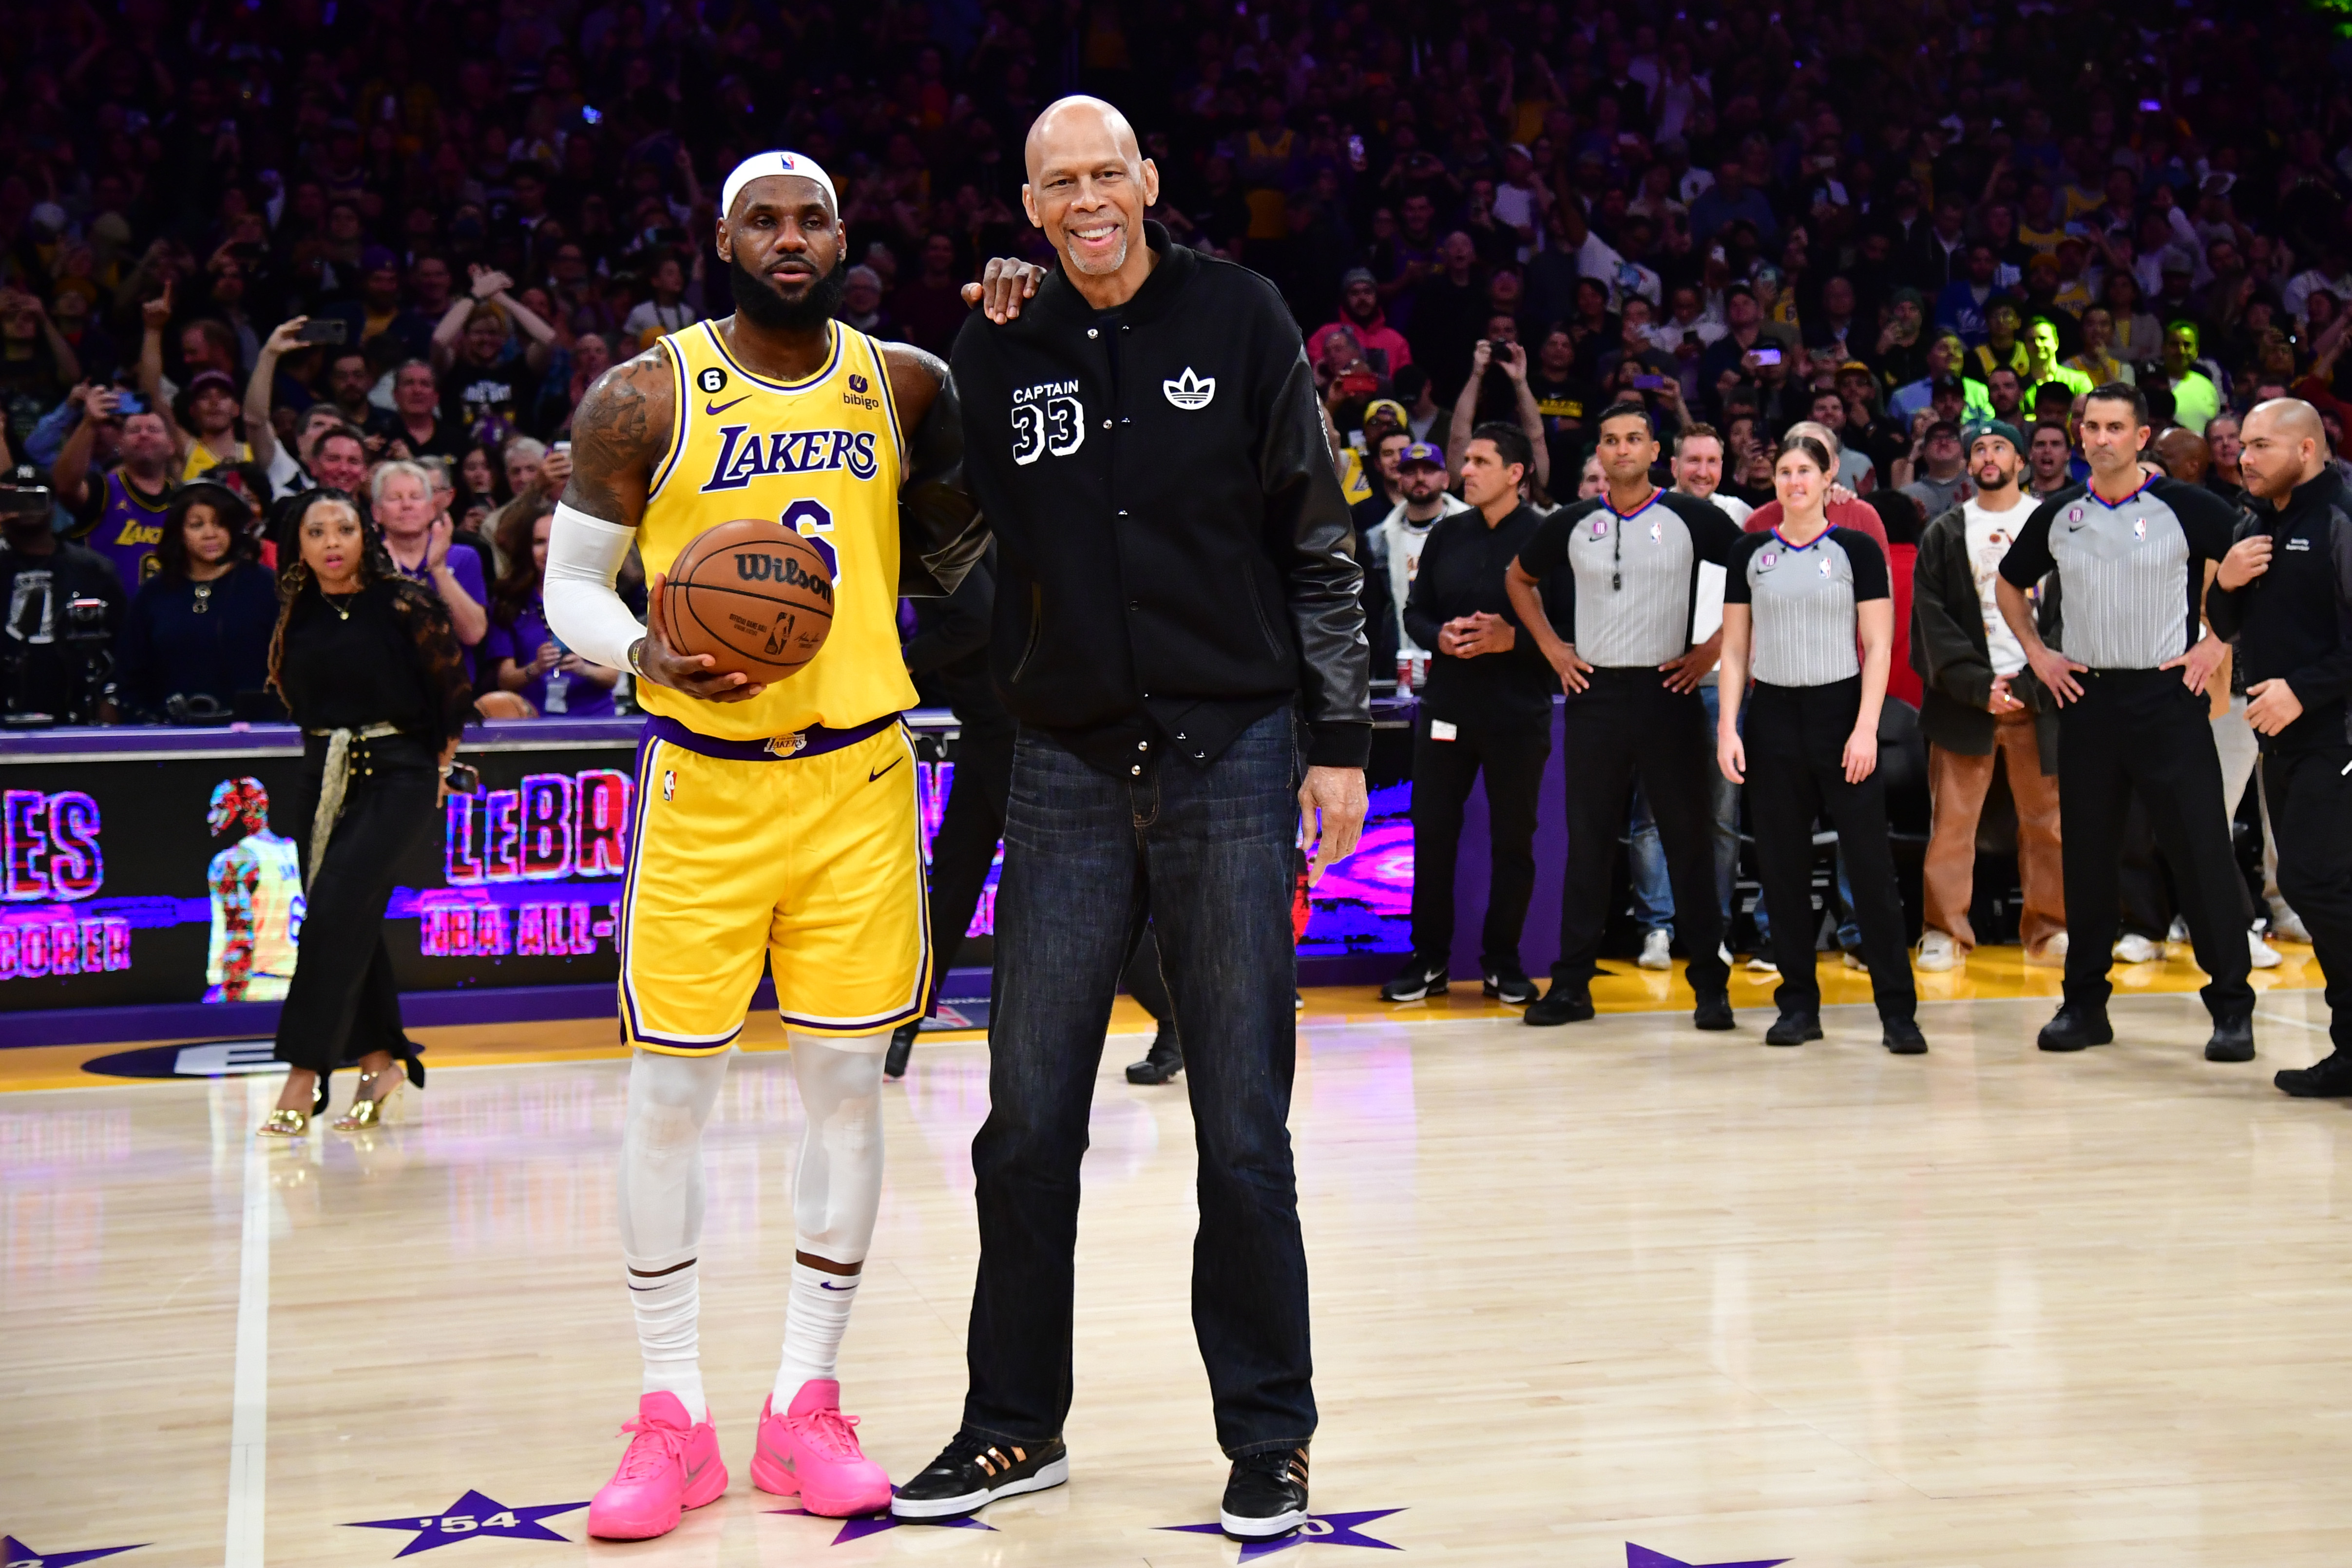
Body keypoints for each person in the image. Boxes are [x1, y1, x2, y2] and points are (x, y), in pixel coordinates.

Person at [911, 96, 1367, 1542]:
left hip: (1232, 756)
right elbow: (946, 521)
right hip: (1061, 767)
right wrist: (1021, 646)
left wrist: (1336, 736)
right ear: (1031, 204)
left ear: (1149, 183)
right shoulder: (999, 345)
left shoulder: (1240, 315)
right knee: (1022, 1121)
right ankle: (1010, 1427)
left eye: (1110, 172)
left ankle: (1269, 1437)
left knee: (1241, 1128)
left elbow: (1314, 529)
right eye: (1062, 180)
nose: (1090, 197)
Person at [543, 149, 984, 1542]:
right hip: (705, 788)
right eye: (763, 221)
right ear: (721, 239)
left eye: (812, 220)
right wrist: (645, 656)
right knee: (669, 1098)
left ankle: (805, 1404)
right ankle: (671, 1419)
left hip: (857, 780)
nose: (789, 239)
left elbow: (976, 560)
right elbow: (569, 585)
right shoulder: (642, 392)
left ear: (845, 236)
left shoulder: (907, 384)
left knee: (846, 1095)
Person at [1992, 383, 2255, 1060]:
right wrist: (2038, 655)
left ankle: (2231, 1006)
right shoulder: (2058, 513)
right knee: (2084, 857)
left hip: (2166, 698)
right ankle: (2084, 1005)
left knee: (2200, 850)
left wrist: (2214, 641)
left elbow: (2250, 569)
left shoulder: (2187, 506)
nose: (2100, 438)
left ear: (2141, 438)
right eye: (2091, 426)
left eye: (2114, 427)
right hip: (2086, 699)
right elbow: (2007, 583)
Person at [1504, 401, 1740, 1029]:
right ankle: (1573, 986)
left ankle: (1710, 988)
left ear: (1654, 450)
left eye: (1634, 438)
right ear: (1600, 454)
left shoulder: (1692, 516)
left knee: (1689, 843)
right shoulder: (1575, 520)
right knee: (1587, 845)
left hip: (1669, 689)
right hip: (1596, 695)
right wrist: (1554, 649)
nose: (1623, 449)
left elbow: (1753, 575)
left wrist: (1711, 651)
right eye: (1611, 440)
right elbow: (1518, 578)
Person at [253, 488, 474, 1139]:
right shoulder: (295, 613)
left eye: (343, 529)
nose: (330, 542)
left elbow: (452, 693)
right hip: (322, 776)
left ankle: (303, 1072)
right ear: (298, 545)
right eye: (316, 531)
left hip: (400, 773)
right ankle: (380, 1063)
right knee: (349, 922)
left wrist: (440, 770)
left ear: (363, 536)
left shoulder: (403, 603)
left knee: (331, 914)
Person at [1716, 433, 1926, 1053]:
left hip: (1842, 712)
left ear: (1829, 476)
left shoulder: (1857, 548)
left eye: (1806, 470)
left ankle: (1898, 1012)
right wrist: (1729, 726)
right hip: (1773, 715)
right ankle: (1798, 1005)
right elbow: (1733, 650)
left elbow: (1881, 645)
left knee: (1870, 865)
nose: (1794, 481)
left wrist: (1865, 728)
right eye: (1784, 471)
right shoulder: (1750, 550)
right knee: (1781, 868)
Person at [1377, 424, 1553, 1007]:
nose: (1466, 471)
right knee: (1431, 836)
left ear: (1516, 473)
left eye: (1480, 461)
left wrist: (1514, 640)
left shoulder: (1548, 537)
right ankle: (1428, 960)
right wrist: (1440, 638)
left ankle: (1503, 962)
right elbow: (1416, 611)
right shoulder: (1449, 533)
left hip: (1517, 712)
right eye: (1466, 460)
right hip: (1447, 708)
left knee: (1514, 840)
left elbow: (1575, 634)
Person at [2209, 400, 2352, 1096]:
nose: (2244, 457)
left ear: (2305, 448)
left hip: (2337, 732)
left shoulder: (2338, 519)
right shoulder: (2253, 521)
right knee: (2307, 883)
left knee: (2317, 883)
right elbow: (2225, 624)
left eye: (2261, 445)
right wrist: (2223, 582)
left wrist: (2302, 689)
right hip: (2280, 737)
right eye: (2242, 444)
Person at [1907, 422, 2066, 970]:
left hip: (2040, 697)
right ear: (1969, 465)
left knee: (2048, 825)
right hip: (1965, 700)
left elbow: (2071, 615)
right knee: (1952, 825)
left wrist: (2027, 682)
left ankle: (2051, 928)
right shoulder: (1947, 531)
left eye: (2000, 446)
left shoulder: (2053, 526)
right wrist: (1980, 685)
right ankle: (1943, 932)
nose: (1988, 455)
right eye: (1979, 448)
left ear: (2022, 460)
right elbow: (1930, 619)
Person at [884, 545, 1015, 1080]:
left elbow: (978, 618)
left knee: (1064, 890)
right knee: (953, 883)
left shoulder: (940, 542)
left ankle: (1170, 1016)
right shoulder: (955, 536)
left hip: (1012, 734)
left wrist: (906, 659)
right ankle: (903, 1028)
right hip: (988, 730)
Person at [113, 481, 277, 721]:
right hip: (170, 733)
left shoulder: (265, 587)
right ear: (179, 533)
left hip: (253, 733)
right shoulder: (152, 594)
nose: (210, 534)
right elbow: (132, 674)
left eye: (219, 524)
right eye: (197, 525)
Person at [0, 460, 125, 725]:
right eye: (14, 499)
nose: (24, 509)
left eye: (34, 498)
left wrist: (111, 699)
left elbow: (124, 647)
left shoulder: (94, 570)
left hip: (75, 714)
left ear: (53, 504)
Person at [483, 500, 618, 716]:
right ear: (527, 549)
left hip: (594, 722)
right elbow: (505, 680)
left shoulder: (598, 597)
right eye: (539, 542)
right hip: (533, 724)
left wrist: (584, 669)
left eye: (558, 541)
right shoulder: (509, 602)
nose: (548, 551)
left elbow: (612, 676)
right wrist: (535, 668)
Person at [52, 385, 176, 593]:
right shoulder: (103, 489)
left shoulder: (184, 500)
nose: (144, 435)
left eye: (153, 430)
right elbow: (64, 487)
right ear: (121, 444)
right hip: (107, 619)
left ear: (171, 446)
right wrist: (89, 422)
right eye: (135, 430)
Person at [369, 460, 489, 671]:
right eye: (395, 498)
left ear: (431, 508)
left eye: (415, 497)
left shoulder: (464, 557)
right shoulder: (368, 563)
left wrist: (439, 569)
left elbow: (474, 634)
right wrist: (389, 573)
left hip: (453, 690)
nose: (407, 505)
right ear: (377, 512)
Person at [1369, 442, 1472, 688]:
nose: (1420, 478)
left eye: (1429, 470)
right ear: (1399, 480)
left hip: (1457, 664)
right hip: (1398, 665)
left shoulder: (1472, 530)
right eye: (1410, 471)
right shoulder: (1378, 539)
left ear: (1446, 479)